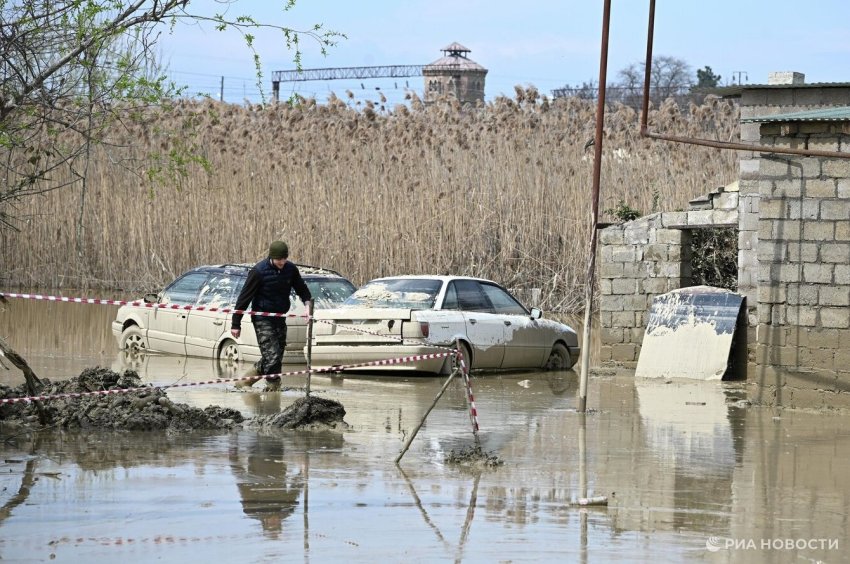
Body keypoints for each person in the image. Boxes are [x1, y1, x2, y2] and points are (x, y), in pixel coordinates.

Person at [231, 241, 312, 382]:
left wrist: (307, 305)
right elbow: (244, 298)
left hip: (279, 318)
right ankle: (273, 392)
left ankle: (244, 382)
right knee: (272, 357)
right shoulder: (258, 272)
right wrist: (235, 324)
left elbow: (302, 289)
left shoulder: (290, 269)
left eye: (284, 259)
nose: (282, 262)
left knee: (276, 357)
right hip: (262, 318)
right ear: (271, 257)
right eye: (279, 259)